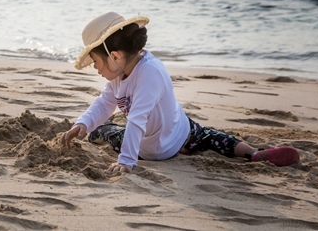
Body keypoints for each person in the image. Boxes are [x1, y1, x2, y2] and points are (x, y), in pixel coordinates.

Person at [62, 11, 300, 176]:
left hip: (147, 149)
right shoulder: (121, 74)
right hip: (177, 136)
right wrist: (82, 123)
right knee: (210, 137)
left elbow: (135, 118)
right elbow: (106, 103)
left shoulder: (149, 72)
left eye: (95, 61)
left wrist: (126, 161)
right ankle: (251, 153)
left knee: (104, 130)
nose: (94, 68)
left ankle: (254, 154)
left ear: (115, 56)